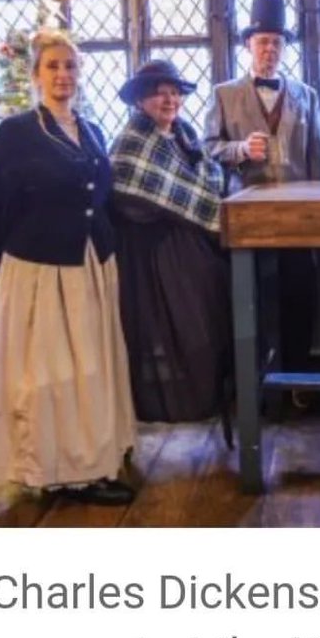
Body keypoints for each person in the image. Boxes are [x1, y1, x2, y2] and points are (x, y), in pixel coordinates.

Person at [0, 29, 136, 502]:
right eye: (53, 66)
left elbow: (100, 195)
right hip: (41, 269)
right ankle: (57, 471)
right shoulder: (17, 133)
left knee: (90, 367)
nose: (63, 75)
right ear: (35, 75)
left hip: (90, 262)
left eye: (70, 66)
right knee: (52, 373)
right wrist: (19, 255)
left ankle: (94, 459)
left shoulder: (91, 130)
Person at [204, 0, 320, 376]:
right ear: (248, 46)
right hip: (247, 219)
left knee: (299, 299)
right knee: (251, 300)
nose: (269, 49)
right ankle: (253, 383)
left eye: (277, 42)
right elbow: (207, 150)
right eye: (262, 42)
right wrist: (240, 149)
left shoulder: (307, 96)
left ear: (285, 47)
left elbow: (318, 161)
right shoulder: (223, 95)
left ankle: (299, 381)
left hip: (299, 221)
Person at [109, 59, 233, 426]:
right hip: (152, 251)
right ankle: (172, 401)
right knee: (174, 325)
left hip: (188, 241)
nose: (169, 101)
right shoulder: (132, 141)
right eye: (160, 94)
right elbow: (128, 193)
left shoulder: (185, 134)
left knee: (207, 314)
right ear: (141, 101)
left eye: (175, 93)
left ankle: (208, 393)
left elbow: (203, 179)